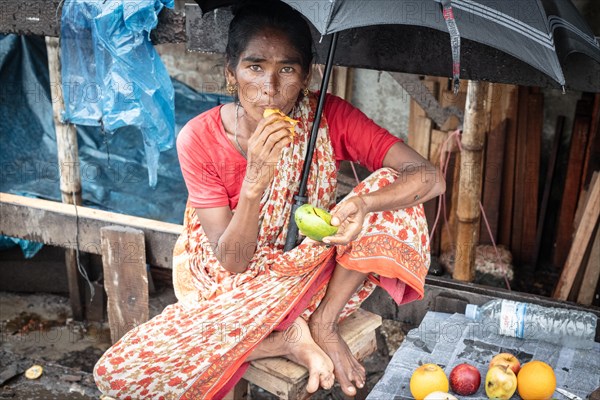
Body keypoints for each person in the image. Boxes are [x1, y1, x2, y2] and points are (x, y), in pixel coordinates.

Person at [93, 1, 445, 398]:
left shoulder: (326, 118)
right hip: (229, 280)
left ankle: (321, 324)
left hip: (303, 267)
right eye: (255, 66)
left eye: (287, 69)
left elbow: (429, 177)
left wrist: (363, 205)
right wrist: (255, 180)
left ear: (307, 75)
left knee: (392, 193)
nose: (270, 88)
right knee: (121, 373)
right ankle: (280, 339)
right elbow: (233, 261)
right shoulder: (199, 138)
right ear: (231, 73)